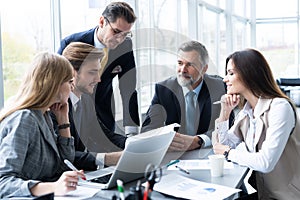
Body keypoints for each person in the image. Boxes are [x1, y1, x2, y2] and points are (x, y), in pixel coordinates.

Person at [212, 48, 300, 199]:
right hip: (264, 193)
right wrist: (225, 113)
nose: (225, 79)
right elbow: (221, 145)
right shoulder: (246, 113)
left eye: (231, 73)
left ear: (249, 74)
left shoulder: (279, 107)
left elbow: (266, 162)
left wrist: (228, 153)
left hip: (287, 196)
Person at [0, 52, 85, 198]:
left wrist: (63, 121)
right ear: (54, 84)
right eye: (70, 81)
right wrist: (54, 187)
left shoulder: (45, 115)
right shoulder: (24, 119)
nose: (72, 88)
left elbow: (63, 165)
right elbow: (3, 183)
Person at [57, 1, 140, 136]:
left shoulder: (125, 45)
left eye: (125, 34)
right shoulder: (72, 43)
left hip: (104, 110)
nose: (120, 39)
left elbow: (128, 88)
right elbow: (58, 83)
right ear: (102, 22)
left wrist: (132, 133)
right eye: (116, 32)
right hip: (71, 112)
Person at [141, 41, 233, 151]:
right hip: (175, 155)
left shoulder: (219, 87)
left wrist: (198, 140)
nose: (183, 70)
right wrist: (166, 139)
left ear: (204, 69)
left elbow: (229, 126)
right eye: (180, 63)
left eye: (190, 65)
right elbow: (147, 130)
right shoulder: (163, 89)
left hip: (210, 150)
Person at [54, 42, 123, 171]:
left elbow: (102, 134)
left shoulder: (85, 99)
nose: (98, 79)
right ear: (72, 73)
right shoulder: (55, 106)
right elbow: (61, 154)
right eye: (92, 72)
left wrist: (134, 145)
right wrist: (108, 158)